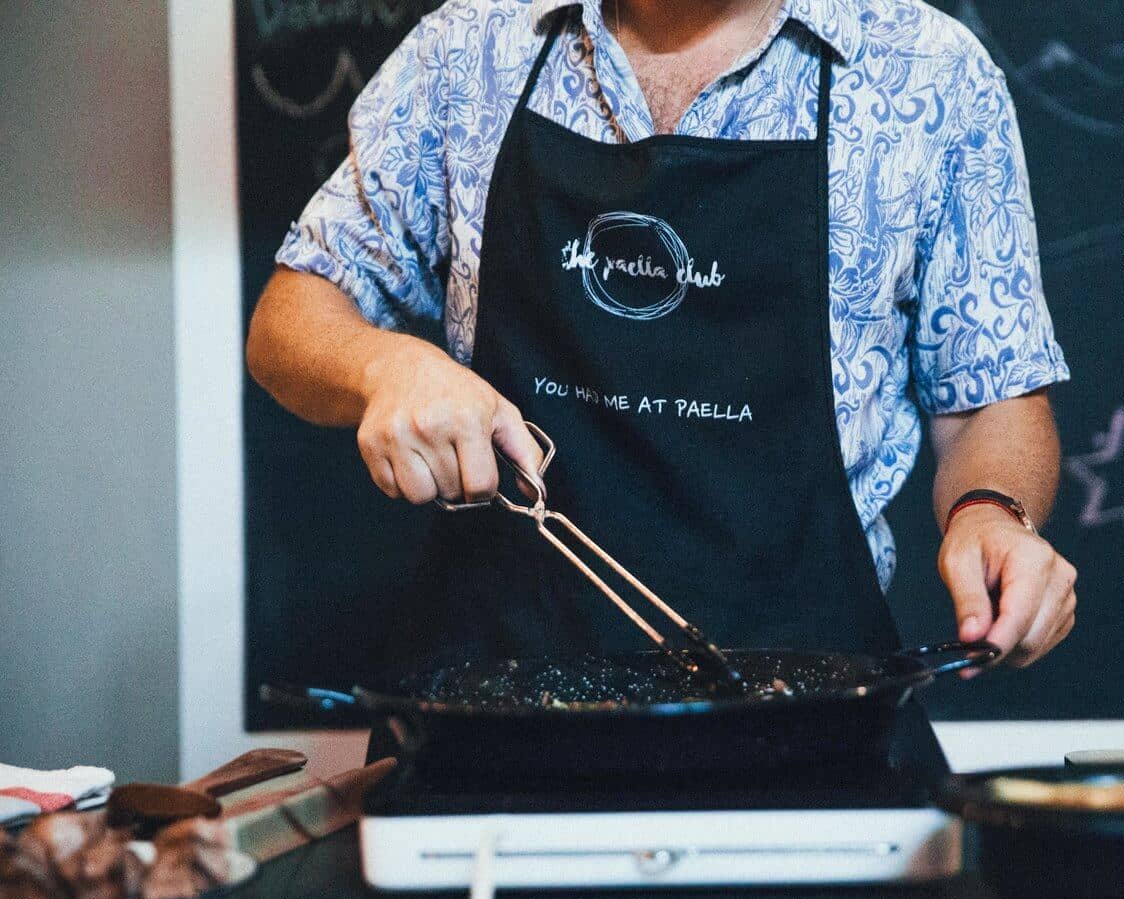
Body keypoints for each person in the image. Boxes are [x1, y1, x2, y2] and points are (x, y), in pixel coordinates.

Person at [246, 0, 1077, 684]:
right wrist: (385, 365)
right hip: (490, 699)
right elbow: (288, 322)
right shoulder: (469, 50)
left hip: (808, 706)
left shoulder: (931, 74)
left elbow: (990, 402)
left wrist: (991, 515)